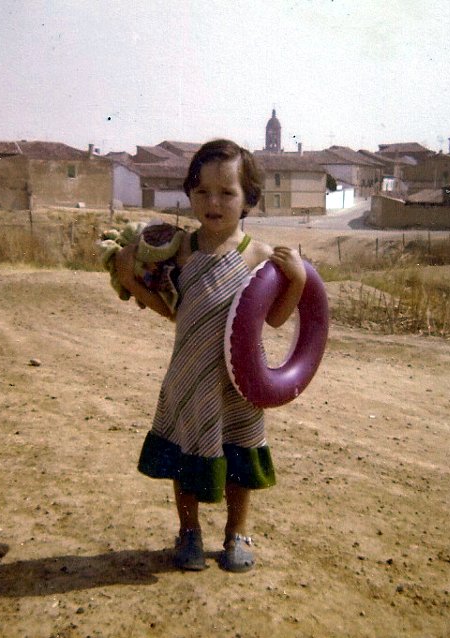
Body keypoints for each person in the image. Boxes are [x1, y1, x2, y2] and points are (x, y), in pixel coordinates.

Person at [115, 139, 306, 572]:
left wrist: (293, 281)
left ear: (249, 199)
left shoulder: (259, 256)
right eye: (202, 192)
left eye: (227, 193)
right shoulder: (180, 249)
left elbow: (275, 320)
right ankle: (189, 532)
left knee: (240, 455)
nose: (213, 202)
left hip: (239, 383)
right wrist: (131, 276)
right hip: (190, 376)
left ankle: (237, 533)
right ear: (189, 194)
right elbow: (174, 311)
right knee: (186, 457)